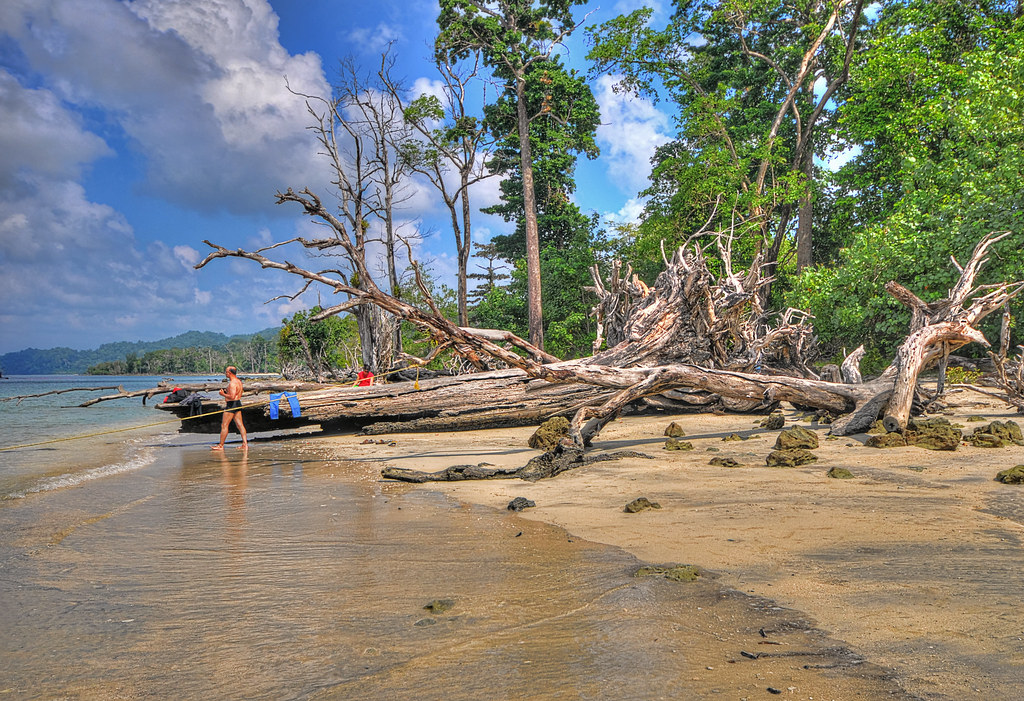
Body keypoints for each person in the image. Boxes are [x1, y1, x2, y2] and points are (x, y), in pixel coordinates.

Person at [212, 366, 248, 451]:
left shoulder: (232, 383)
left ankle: (221, 445)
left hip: (231, 405)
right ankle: (245, 444)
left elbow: (232, 396)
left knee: (224, 425)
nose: (225, 373)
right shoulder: (238, 381)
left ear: (230, 373)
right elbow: (236, 394)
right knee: (240, 425)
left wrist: (222, 394)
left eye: (226, 372)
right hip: (237, 403)